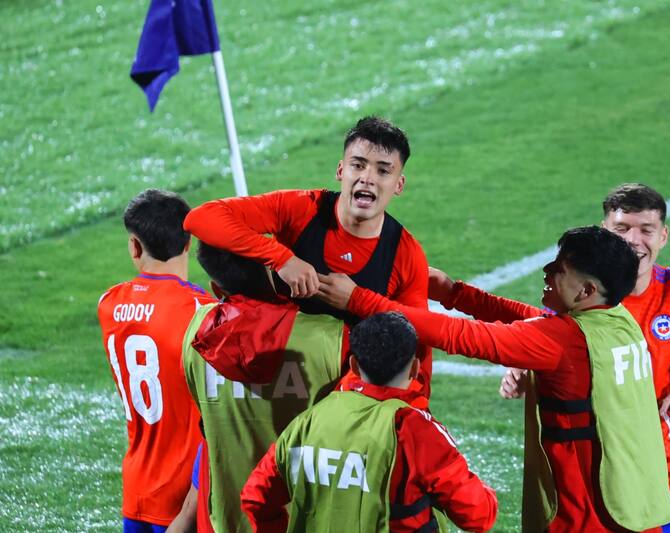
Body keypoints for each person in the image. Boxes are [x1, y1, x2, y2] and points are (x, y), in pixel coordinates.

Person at [318, 226, 670, 532]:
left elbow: (458, 336)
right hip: (636, 504)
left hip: (588, 513)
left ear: (585, 291)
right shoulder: (618, 320)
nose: (547, 269)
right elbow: (531, 319)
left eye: (559, 268)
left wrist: (358, 299)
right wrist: (454, 293)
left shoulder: (564, 342)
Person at [447, 184, 670, 531]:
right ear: (604, 232)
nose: (633, 240)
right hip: (602, 469)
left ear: (663, 236)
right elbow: (544, 336)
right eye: (622, 229)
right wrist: (526, 371)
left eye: (646, 230)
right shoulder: (580, 296)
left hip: (664, 463)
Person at [183, 116, 432, 399]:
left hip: (345, 397)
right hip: (281, 383)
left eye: (383, 171)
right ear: (341, 170)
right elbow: (200, 218)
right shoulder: (301, 209)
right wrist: (281, 258)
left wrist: (356, 300)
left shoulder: (406, 253)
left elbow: (416, 341)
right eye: (358, 165)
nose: (368, 178)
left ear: (398, 185)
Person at [241, 312, 498, 533]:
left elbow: (256, 497)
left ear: (353, 364)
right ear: (414, 368)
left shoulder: (309, 420)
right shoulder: (413, 429)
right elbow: (478, 515)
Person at [180, 242, 347, 532]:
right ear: (273, 268)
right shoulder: (329, 338)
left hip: (230, 518)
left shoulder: (196, 334)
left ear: (217, 290)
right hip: (303, 518)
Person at [97, 189, 216, 532]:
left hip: (137, 489)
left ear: (135, 246)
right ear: (186, 244)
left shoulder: (109, 304)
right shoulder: (203, 312)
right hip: (187, 495)